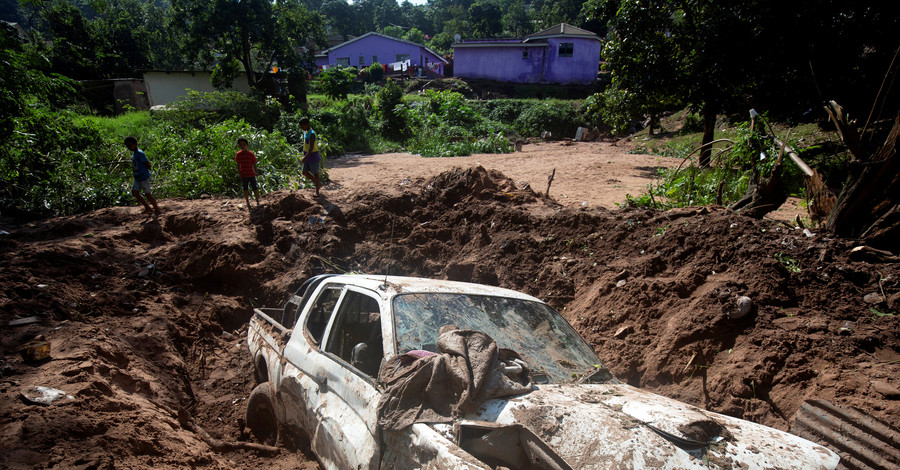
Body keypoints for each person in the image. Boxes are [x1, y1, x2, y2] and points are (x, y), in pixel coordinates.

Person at [124, 136, 161, 215]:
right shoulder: (134, 154)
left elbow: (148, 164)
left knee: (147, 194)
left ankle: (157, 209)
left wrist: (144, 171)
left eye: (130, 145)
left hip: (144, 177)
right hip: (137, 177)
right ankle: (147, 208)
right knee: (135, 192)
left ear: (135, 144)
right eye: (127, 146)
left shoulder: (140, 153)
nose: (129, 147)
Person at [299, 117, 323, 197]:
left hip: (312, 155)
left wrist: (305, 157)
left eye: (303, 126)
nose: (302, 128)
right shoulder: (305, 132)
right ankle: (318, 183)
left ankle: (317, 191)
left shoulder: (312, 133)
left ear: (307, 124)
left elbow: (311, 148)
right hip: (307, 154)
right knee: (304, 172)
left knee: (315, 173)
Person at [235, 136, 261, 207]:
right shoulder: (238, 154)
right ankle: (247, 202)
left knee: (255, 187)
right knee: (245, 188)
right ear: (239, 146)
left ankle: (257, 201)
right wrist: (240, 174)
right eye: (241, 145)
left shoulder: (250, 154)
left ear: (247, 145)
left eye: (244, 144)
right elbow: (238, 165)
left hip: (251, 173)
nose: (242, 146)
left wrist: (256, 171)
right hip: (244, 174)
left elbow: (254, 163)